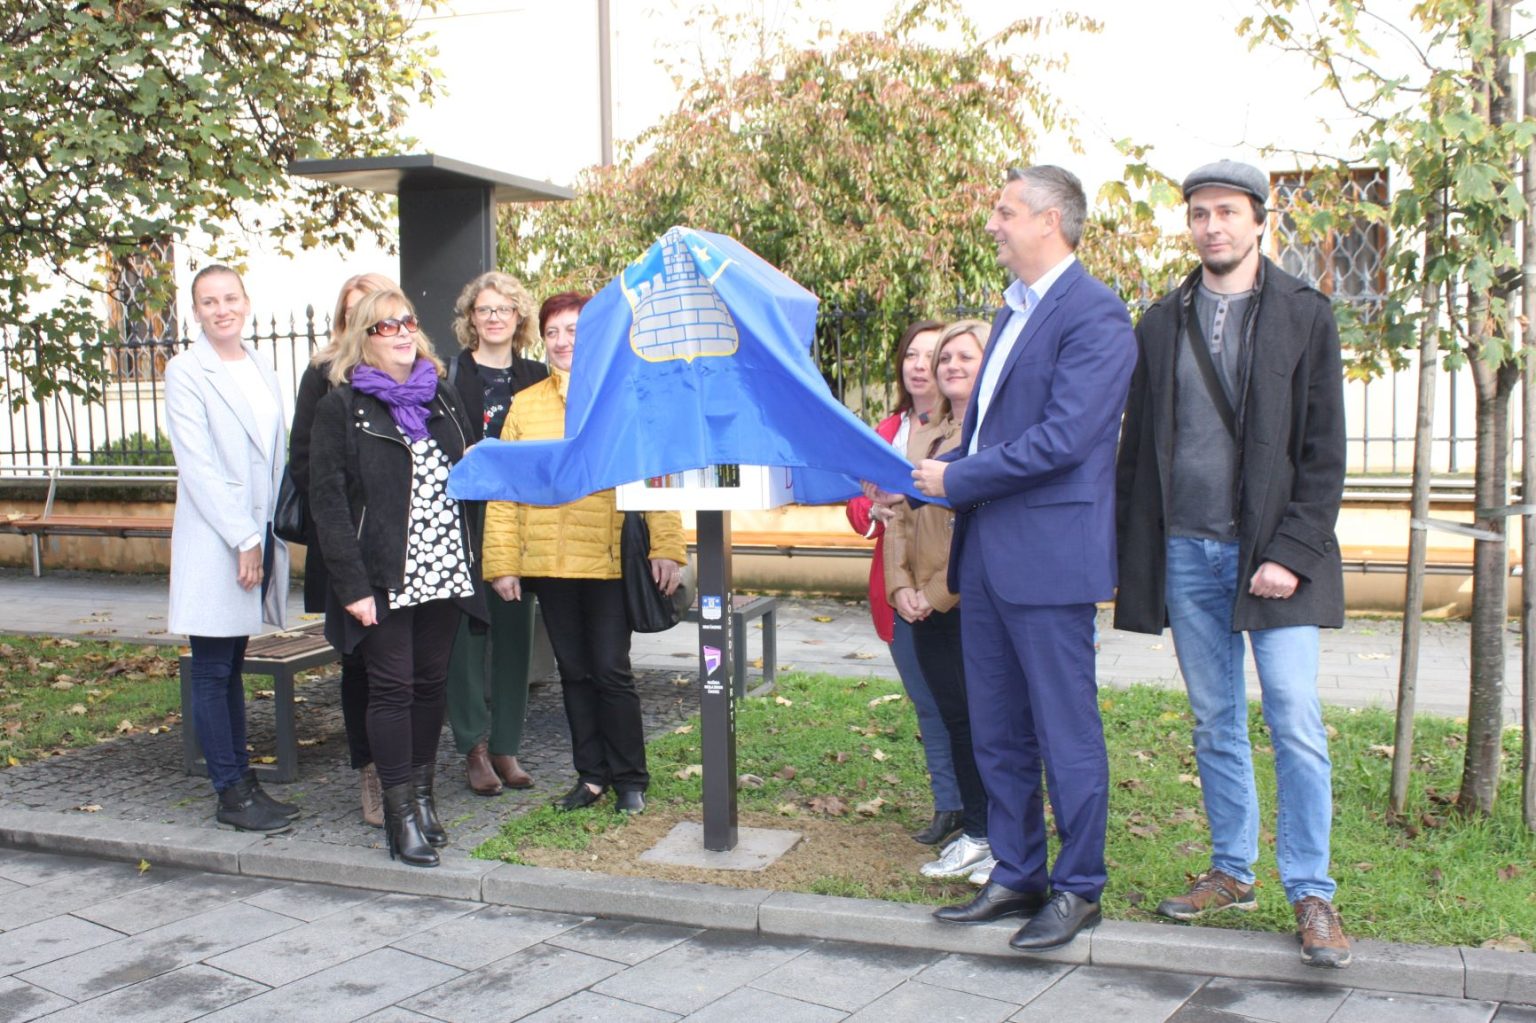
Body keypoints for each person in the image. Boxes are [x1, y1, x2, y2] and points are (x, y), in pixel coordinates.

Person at [1114, 159, 1350, 968]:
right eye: (1199, 213)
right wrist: (1130, 553)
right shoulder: (1160, 320)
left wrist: (1290, 551)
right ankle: (1232, 869)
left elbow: (1324, 453)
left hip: (1274, 557)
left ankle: (1311, 889)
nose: (1211, 225)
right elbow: (1138, 451)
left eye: (1226, 211)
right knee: (1215, 718)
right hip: (1187, 549)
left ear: (1257, 221)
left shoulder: (1304, 313)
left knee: (1295, 719)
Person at [914, 166, 1135, 953]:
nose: (993, 224)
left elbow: (1066, 438)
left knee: (1064, 730)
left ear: (1051, 220)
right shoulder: (1011, 311)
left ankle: (1079, 887)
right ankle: (1017, 872)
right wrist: (936, 471)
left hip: (1049, 560)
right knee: (999, 730)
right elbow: (989, 435)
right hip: (988, 556)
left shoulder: (1095, 314)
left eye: (1006, 211)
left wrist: (958, 480)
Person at [482, 292, 686, 815]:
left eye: (573, 330)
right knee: (573, 672)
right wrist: (502, 563)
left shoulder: (625, 395)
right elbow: (505, 488)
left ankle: (630, 779)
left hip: (607, 558)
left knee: (611, 670)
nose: (562, 341)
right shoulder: (526, 405)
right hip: (550, 563)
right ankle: (591, 777)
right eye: (552, 332)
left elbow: (654, 473)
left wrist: (666, 545)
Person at [307, 288, 488, 867]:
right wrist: (353, 586)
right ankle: (399, 816)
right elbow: (328, 504)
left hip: (443, 564)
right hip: (382, 573)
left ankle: (425, 800)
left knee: (431, 685)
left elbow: (465, 472)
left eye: (407, 321)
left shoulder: (442, 395)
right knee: (392, 688)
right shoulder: (343, 407)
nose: (403, 332)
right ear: (364, 338)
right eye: (387, 326)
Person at [164, 265, 297, 834]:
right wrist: (244, 538)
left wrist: (263, 535)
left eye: (230, 298)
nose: (221, 309)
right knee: (212, 669)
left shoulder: (260, 366)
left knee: (232, 665)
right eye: (209, 301)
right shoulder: (185, 371)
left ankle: (243, 780)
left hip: (255, 533)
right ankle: (230, 792)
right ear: (195, 311)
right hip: (219, 537)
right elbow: (198, 466)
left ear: (246, 302)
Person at [845, 319, 964, 847]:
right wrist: (872, 508)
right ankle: (949, 804)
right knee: (927, 701)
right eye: (911, 355)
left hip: (953, 586)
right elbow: (858, 504)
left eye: (931, 355)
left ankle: (981, 812)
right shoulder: (888, 429)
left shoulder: (965, 431)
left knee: (965, 704)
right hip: (898, 589)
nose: (919, 365)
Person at [884, 319, 994, 881]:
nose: (949, 366)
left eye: (963, 357)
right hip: (922, 607)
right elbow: (898, 519)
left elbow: (977, 526)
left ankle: (1000, 837)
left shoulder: (991, 435)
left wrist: (932, 593)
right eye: (944, 358)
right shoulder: (927, 435)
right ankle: (977, 833)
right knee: (956, 720)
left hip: (968, 602)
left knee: (988, 725)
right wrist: (901, 588)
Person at [289, 271, 396, 828]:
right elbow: (305, 464)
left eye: (375, 311)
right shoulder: (323, 374)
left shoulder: (412, 375)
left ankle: (406, 771)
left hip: (400, 550)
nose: (365, 321)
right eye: (356, 311)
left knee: (402, 666)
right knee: (359, 664)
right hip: (347, 550)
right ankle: (370, 771)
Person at [443, 271, 550, 797]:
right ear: (471, 319)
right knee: (465, 634)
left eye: (503, 309)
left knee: (514, 631)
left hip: (521, 517)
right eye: (483, 309)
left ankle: (507, 745)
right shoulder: (446, 376)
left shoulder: (538, 375)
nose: (493, 318)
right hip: (464, 517)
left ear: (518, 318)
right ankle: (473, 746)